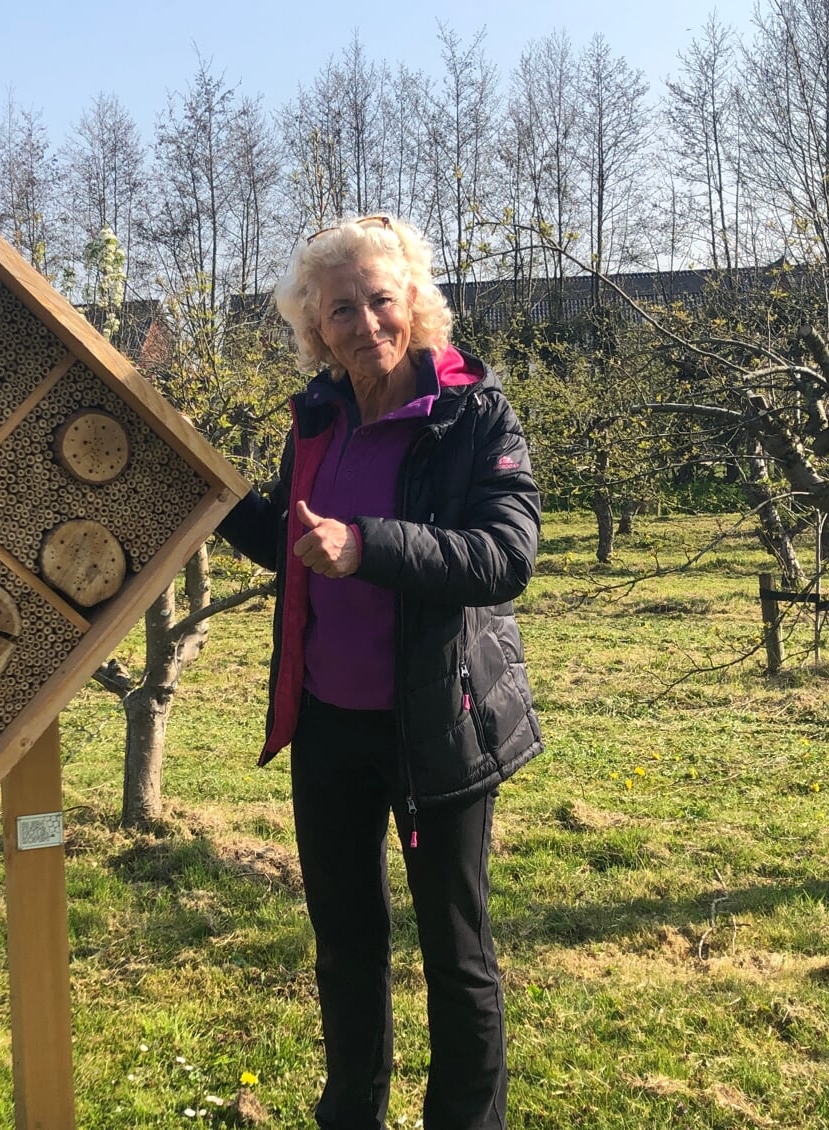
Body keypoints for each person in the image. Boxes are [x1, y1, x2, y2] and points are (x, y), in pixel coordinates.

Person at [217, 213, 543, 1130]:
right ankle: (350, 1115)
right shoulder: (318, 418)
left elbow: (504, 555)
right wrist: (212, 494)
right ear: (313, 326)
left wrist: (368, 547)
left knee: (456, 950)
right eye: (339, 310)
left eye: (379, 300)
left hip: (437, 722)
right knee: (347, 947)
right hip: (329, 722)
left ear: (415, 304)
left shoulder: (472, 414)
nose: (364, 324)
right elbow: (294, 545)